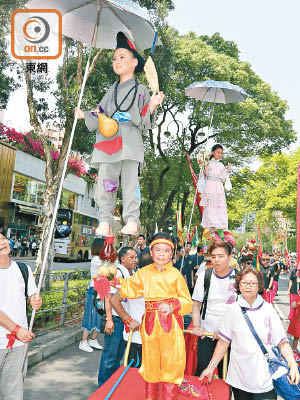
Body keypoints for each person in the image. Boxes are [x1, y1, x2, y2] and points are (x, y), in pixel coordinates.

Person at [75, 32, 164, 236]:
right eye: (115, 58)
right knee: (106, 183)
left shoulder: (141, 88)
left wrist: (151, 104)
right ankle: (105, 220)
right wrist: (84, 115)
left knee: (131, 183)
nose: (117, 61)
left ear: (134, 62)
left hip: (130, 142)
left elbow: (143, 119)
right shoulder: (111, 90)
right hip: (108, 141)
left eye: (122, 57)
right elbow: (100, 112)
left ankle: (132, 219)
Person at [112, 232, 192, 400]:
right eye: (158, 250)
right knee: (151, 362)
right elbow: (131, 288)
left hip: (170, 326)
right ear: (151, 252)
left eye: (166, 251)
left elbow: (187, 302)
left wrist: (172, 306)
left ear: (172, 253)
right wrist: (115, 281)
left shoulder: (175, 275)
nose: (162, 254)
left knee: (171, 363)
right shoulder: (144, 272)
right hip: (149, 325)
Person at [200, 266, 299, 400]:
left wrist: (292, 364)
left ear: (259, 286)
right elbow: (224, 342)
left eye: (253, 283)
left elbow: (282, 342)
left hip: (265, 379)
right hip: (239, 378)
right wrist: (211, 367)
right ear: (239, 285)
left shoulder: (268, 310)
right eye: (244, 283)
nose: (248, 286)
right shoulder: (232, 310)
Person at [0, 233, 42, 400]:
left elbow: (31, 295)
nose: (2, 242)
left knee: (13, 392)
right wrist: (17, 329)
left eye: (3, 238)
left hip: (18, 344)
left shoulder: (23, 269)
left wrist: (35, 300)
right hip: (14, 335)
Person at [192, 241, 237, 378]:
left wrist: (225, 329)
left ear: (230, 257)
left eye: (221, 256)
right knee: (202, 370)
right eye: (213, 256)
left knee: (227, 375)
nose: (216, 260)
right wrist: (197, 326)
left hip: (231, 336)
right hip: (207, 333)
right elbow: (196, 304)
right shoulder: (205, 277)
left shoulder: (239, 278)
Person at [98, 247, 138, 386]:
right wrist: (109, 320)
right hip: (115, 320)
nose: (135, 260)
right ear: (123, 259)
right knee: (110, 356)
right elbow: (107, 296)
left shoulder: (132, 273)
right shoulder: (116, 272)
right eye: (132, 257)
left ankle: (112, 386)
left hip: (125, 321)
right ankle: (103, 387)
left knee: (119, 356)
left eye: (136, 257)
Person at [79, 238, 104, 353]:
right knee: (90, 314)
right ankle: (83, 341)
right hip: (94, 291)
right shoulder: (96, 260)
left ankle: (93, 339)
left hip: (102, 291)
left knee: (99, 315)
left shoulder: (102, 259)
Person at [199, 144, 231, 231]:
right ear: (213, 152)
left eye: (221, 153)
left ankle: (219, 226)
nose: (220, 154)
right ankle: (211, 227)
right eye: (218, 152)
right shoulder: (208, 164)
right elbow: (203, 176)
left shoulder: (221, 165)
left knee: (219, 205)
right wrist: (204, 172)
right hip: (210, 185)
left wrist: (227, 170)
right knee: (210, 204)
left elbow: (223, 177)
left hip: (219, 186)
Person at [287, 265, 300, 354]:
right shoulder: (295, 272)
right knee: (296, 334)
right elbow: (293, 305)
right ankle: (294, 350)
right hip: (296, 295)